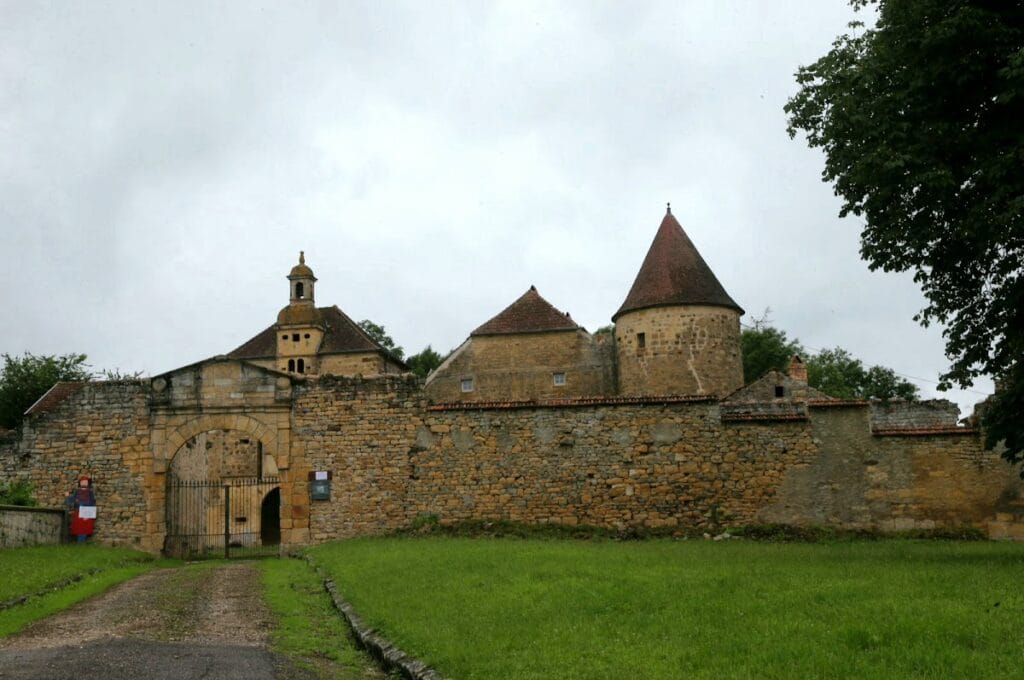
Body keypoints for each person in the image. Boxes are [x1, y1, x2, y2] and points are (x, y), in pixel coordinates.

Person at [66, 475, 97, 543]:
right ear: (80, 483)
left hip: (86, 512)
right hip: (78, 511)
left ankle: (82, 542)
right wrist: (68, 496)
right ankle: (79, 542)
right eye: (82, 482)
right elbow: (72, 500)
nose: (84, 483)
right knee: (79, 528)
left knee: (85, 528)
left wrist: (89, 514)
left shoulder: (90, 492)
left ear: (88, 483)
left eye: (85, 482)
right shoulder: (77, 492)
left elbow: (93, 502)